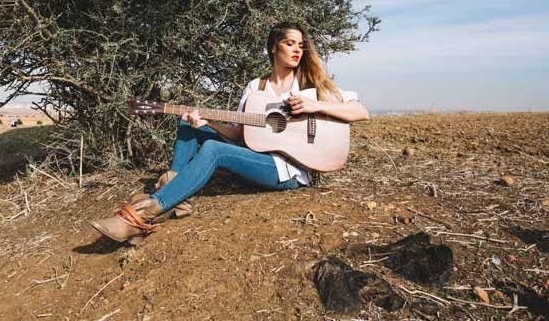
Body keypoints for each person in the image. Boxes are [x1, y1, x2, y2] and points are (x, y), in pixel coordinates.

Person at [90, 21, 370, 243]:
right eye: (289, 43)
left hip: (288, 172)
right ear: (274, 47)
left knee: (214, 150)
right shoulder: (256, 89)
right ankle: (179, 197)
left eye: (300, 45)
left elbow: (361, 112)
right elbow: (239, 135)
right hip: (255, 160)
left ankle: (144, 214)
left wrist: (313, 104)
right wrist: (207, 123)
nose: (297, 50)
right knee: (188, 122)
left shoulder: (311, 84)